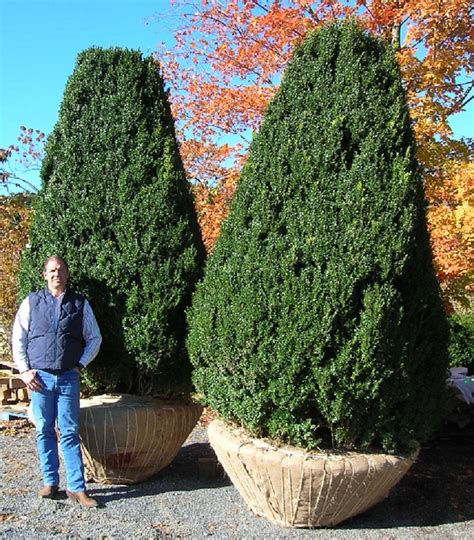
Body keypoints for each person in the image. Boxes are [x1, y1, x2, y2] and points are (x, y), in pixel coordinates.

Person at [12, 255, 102, 508]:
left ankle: (77, 488)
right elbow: (18, 337)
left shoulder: (80, 303)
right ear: (44, 275)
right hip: (38, 378)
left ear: (67, 273)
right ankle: (50, 482)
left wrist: (80, 364)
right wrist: (24, 371)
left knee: (70, 431)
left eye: (60, 269)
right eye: (51, 270)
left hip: (67, 378)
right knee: (43, 429)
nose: (56, 274)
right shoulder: (31, 302)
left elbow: (94, 337)